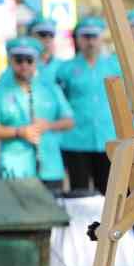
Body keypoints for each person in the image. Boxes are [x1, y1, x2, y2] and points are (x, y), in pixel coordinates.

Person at [0, 37, 74, 193]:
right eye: (19, 60)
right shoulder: (0, 91)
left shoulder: (50, 88)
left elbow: (69, 121)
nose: (24, 65)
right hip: (15, 169)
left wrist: (49, 125)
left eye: (29, 60)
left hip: (50, 167)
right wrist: (19, 132)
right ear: (11, 61)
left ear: (36, 61)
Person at [53, 16, 117, 193]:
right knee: (79, 192)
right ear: (78, 39)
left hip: (107, 138)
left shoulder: (113, 66)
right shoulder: (65, 69)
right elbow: (60, 102)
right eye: (86, 36)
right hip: (76, 139)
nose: (90, 41)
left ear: (100, 38)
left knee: (109, 193)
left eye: (94, 36)